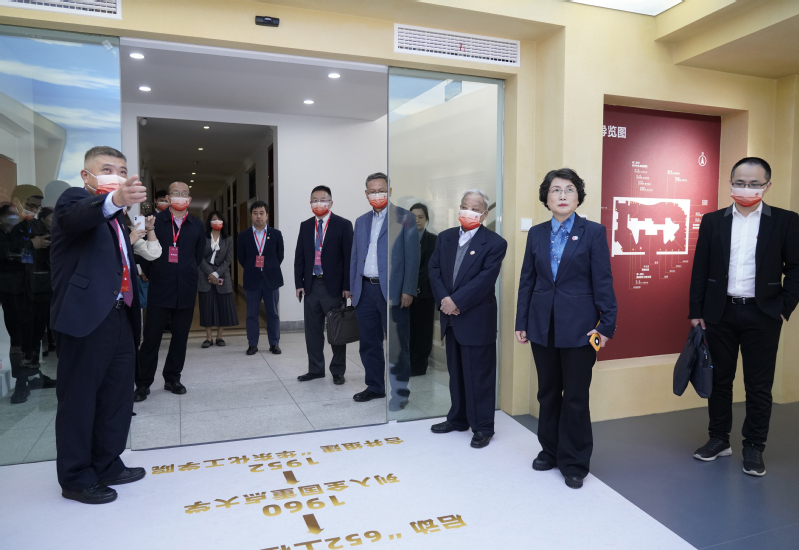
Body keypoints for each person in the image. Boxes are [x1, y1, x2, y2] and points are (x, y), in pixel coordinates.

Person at [689, 157, 799, 477]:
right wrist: (696, 311)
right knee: (719, 380)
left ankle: (753, 445)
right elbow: (700, 268)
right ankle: (719, 439)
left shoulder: (786, 221)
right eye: (740, 182)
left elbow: (795, 269)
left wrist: (783, 307)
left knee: (758, 385)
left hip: (763, 313)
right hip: (719, 312)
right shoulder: (713, 221)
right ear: (730, 183)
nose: (746, 188)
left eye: (754, 184)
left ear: (767, 185)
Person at [50, 145, 146, 504]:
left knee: (116, 395)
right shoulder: (74, 201)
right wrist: (114, 200)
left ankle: (107, 463)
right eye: (107, 169)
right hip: (87, 317)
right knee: (79, 398)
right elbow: (78, 218)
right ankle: (76, 477)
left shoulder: (118, 218)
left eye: (121, 171)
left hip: (120, 314)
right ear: (86, 175)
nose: (116, 176)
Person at [514, 168, 617, 489]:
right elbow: (527, 280)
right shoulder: (537, 233)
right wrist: (521, 321)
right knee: (547, 393)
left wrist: (606, 325)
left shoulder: (593, 232)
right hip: (541, 326)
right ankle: (550, 450)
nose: (562, 195)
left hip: (581, 329)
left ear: (578, 197)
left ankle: (574, 461)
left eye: (569, 189)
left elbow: (603, 280)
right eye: (555, 190)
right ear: (546, 198)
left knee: (574, 396)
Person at [428, 190, 507, 449]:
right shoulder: (445, 237)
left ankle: (483, 427)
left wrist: (456, 301)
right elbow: (434, 269)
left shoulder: (495, 243)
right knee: (457, 374)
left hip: (476, 318)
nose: (468, 211)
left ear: (484, 214)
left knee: (479, 376)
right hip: (450, 317)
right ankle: (458, 419)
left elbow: (485, 280)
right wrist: (444, 299)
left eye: (474, 208)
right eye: (464, 206)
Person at [349, 172, 419, 405]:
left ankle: (400, 392)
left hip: (393, 291)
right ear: (366, 194)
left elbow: (413, 257)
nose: (377, 194)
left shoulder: (405, 218)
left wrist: (408, 289)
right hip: (364, 290)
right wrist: (352, 288)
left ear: (389, 191)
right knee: (369, 343)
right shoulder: (361, 221)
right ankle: (375, 387)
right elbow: (355, 257)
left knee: (398, 345)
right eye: (372, 191)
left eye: (381, 190)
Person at [135, 181, 205, 401]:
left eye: (184, 193)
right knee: (151, 338)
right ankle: (143, 383)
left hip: (185, 288)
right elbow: (143, 252)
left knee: (180, 338)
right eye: (176, 193)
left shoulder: (197, 225)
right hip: (160, 288)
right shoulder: (155, 222)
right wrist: (155, 273)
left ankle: (172, 378)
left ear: (189, 199)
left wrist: (185, 270)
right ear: (168, 197)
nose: (180, 196)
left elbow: (197, 256)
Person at [294, 186, 353, 384]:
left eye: (323, 199)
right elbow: (300, 257)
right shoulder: (305, 226)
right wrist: (299, 283)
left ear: (331, 202)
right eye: (314, 200)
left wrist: (347, 286)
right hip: (311, 286)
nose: (318, 203)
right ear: (310, 203)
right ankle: (316, 369)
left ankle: (338, 370)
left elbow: (349, 258)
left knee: (337, 331)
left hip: (334, 288)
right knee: (312, 332)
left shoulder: (343, 225)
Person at [238, 200, 284, 355]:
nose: (258, 216)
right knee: (251, 314)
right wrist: (254, 269)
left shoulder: (276, 234)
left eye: (261, 213)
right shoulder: (243, 236)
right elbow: (242, 258)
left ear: (267, 215)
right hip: (252, 279)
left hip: (271, 279)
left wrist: (268, 268)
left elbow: (279, 256)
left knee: (273, 313)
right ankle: (252, 344)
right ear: (251, 215)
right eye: (255, 213)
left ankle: (274, 343)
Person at [199, 211, 238, 347]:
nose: (216, 221)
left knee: (223, 306)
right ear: (209, 222)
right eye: (213, 219)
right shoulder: (203, 237)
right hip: (205, 275)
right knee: (207, 307)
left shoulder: (228, 239)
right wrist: (210, 272)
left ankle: (220, 336)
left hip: (222, 276)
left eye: (219, 219)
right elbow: (199, 257)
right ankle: (208, 337)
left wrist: (216, 274)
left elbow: (228, 259)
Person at [409, 203, 437, 377]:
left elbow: (429, 268)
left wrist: (413, 287)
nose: (417, 220)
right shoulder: (401, 239)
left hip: (425, 294)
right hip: (405, 294)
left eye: (421, 217)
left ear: (427, 219)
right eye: (413, 217)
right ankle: (406, 363)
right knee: (407, 331)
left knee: (423, 331)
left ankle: (419, 367)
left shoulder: (433, 240)